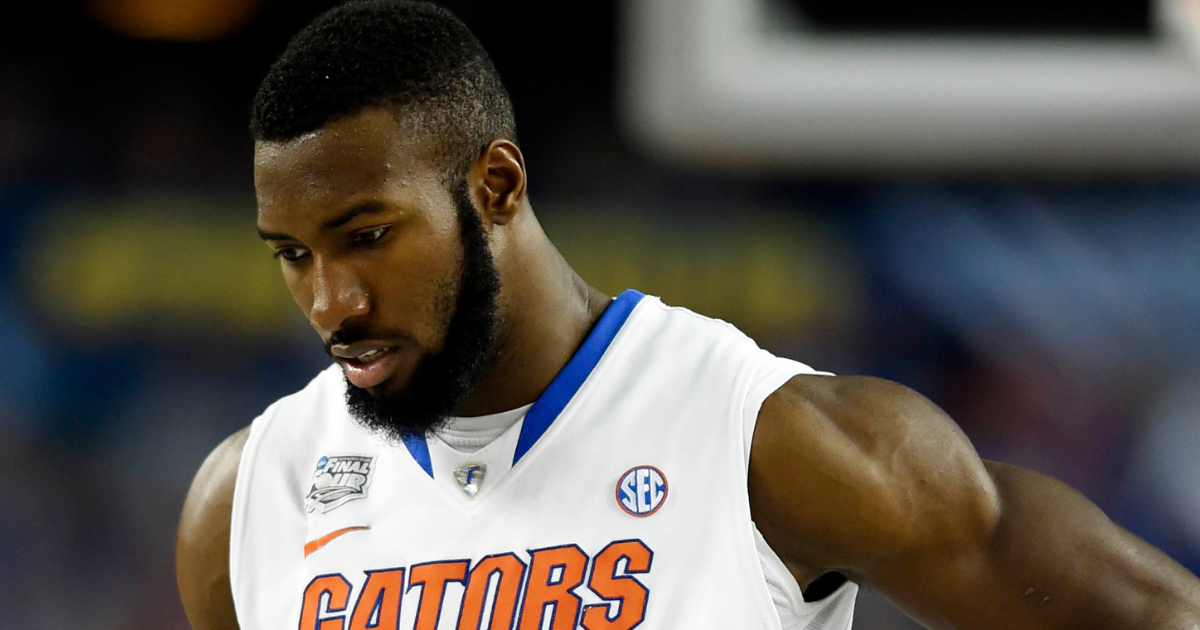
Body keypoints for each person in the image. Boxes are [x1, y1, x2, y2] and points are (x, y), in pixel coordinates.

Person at [175, 2, 1200, 629]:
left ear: (494, 187)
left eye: (368, 237)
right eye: (294, 256)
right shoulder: (250, 496)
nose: (332, 302)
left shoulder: (768, 439)